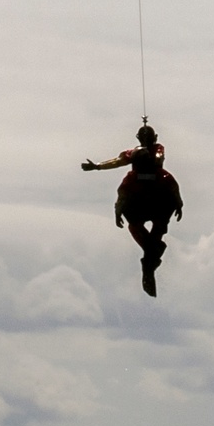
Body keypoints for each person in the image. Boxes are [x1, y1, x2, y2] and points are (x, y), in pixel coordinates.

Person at [81, 123, 182, 297]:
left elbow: (172, 187)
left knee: (157, 224)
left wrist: (178, 204)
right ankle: (152, 255)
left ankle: (151, 256)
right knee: (138, 226)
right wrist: (98, 166)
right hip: (141, 204)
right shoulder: (135, 173)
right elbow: (121, 181)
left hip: (157, 204)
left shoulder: (159, 170)